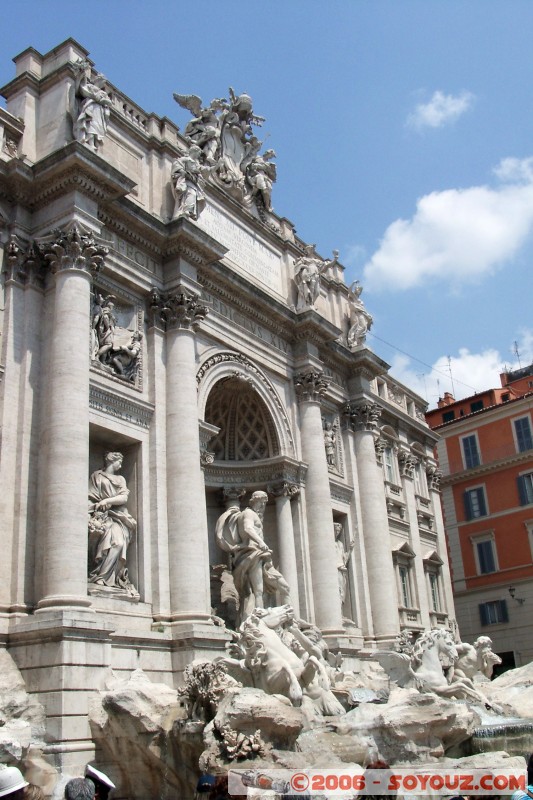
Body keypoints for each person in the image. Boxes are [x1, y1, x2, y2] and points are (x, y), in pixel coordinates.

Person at [215, 491, 290, 621]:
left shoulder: (253, 514)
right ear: (253, 501)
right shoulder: (248, 513)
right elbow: (248, 528)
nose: (263, 506)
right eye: (261, 502)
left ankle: (289, 623)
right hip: (252, 553)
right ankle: (259, 622)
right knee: (258, 591)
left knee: (284, 587)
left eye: (265, 503)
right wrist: (261, 543)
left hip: (260, 555)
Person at [88, 451, 138, 596]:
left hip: (119, 516)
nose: (121, 465)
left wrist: (107, 501)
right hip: (101, 515)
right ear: (111, 460)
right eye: (119, 462)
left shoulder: (120, 478)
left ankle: (106, 578)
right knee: (105, 543)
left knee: (118, 543)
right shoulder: (96, 476)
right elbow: (91, 495)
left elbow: (123, 497)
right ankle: (99, 577)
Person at [171, 145, 206, 220]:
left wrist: (198, 177)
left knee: (193, 195)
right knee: (191, 194)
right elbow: (176, 163)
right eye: (198, 153)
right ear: (194, 151)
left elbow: (201, 175)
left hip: (193, 183)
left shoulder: (196, 164)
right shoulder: (186, 159)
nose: (198, 156)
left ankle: (189, 211)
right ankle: (186, 210)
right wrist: (183, 171)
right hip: (186, 181)